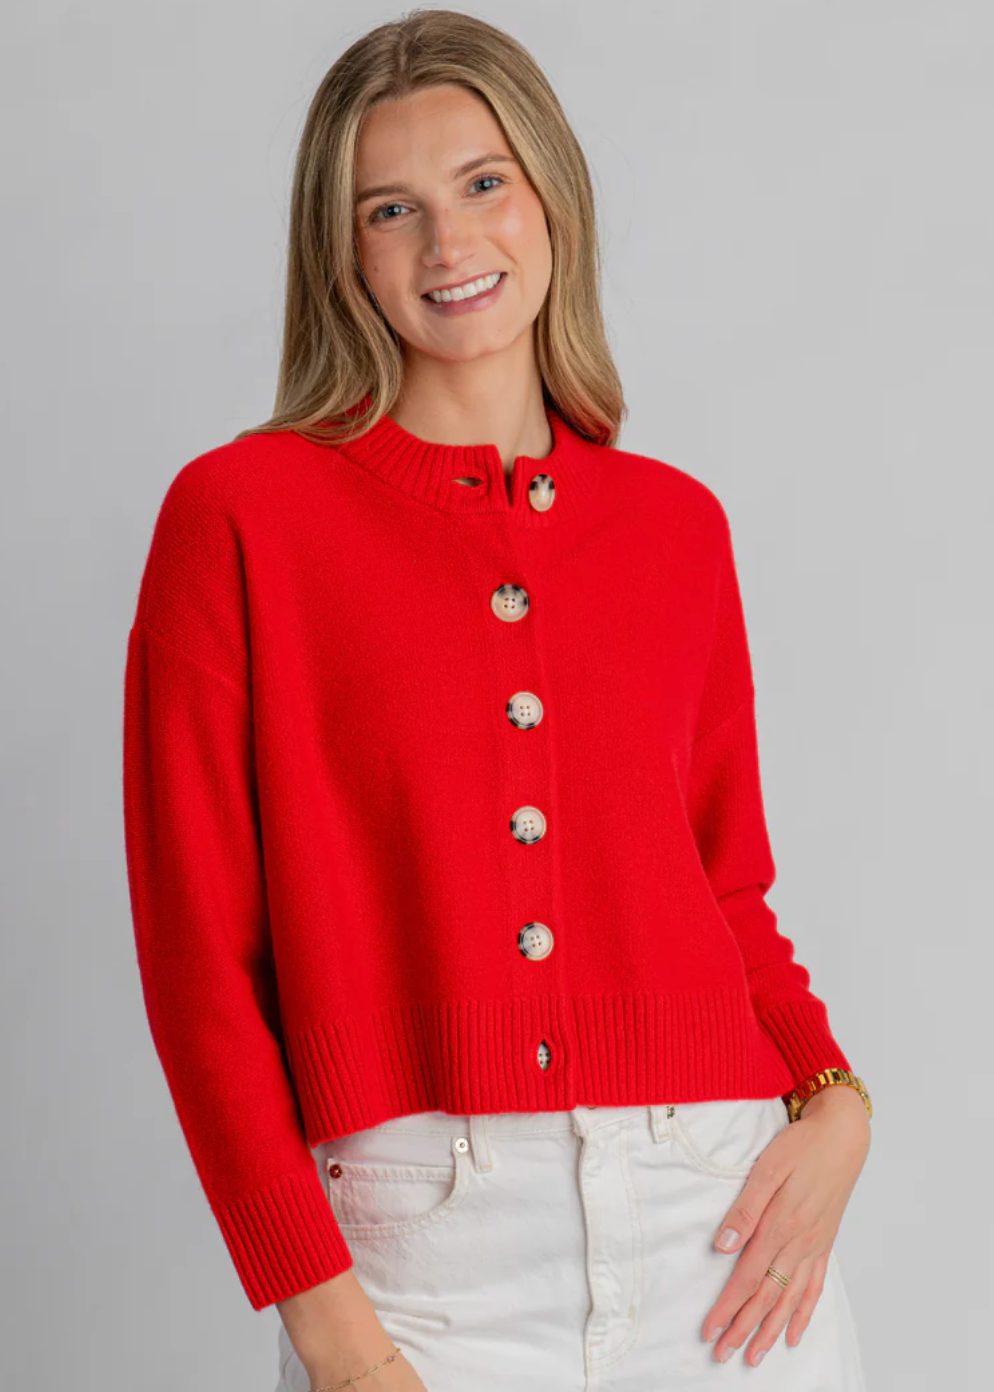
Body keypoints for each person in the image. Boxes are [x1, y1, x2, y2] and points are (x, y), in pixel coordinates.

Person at [121, 9, 873, 1391]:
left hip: (720, 1221)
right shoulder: (240, 518)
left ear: (551, 200)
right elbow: (199, 970)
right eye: (389, 209)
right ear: (340, 253)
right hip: (425, 1258)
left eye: (482, 183)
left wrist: (834, 1101)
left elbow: (725, 887)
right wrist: (336, 1338)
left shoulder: (674, 528)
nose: (447, 243)